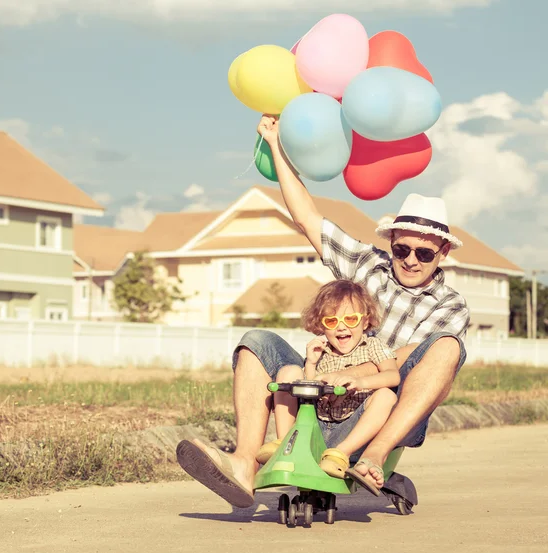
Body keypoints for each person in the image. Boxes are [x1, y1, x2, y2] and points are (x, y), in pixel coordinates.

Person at [176, 115, 470, 508]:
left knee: (448, 346)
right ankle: (245, 463)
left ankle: (373, 458)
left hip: (380, 402)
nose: (410, 260)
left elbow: (402, 360)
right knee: (256, 341)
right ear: (392, 242)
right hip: (320, 387)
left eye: (424, 253)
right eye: (402, 249)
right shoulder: (369, 265)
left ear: (443, 253)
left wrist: (354, 375)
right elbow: (306, 218)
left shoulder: (449, 305)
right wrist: (276, 144)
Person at [255, 279, 400, 494]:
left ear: (365, 321)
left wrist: (360, 382)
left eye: (351, 319)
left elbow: (393, 375)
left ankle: (340, 454)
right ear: (322, 325)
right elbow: (308, 393)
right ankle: (286, 444)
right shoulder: (321, 351)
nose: (341, 327)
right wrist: (311, 363)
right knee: (290, 374)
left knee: (386, 396)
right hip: (317, 427)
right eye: (332, 322)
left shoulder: (373, 346)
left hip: (351, 428)